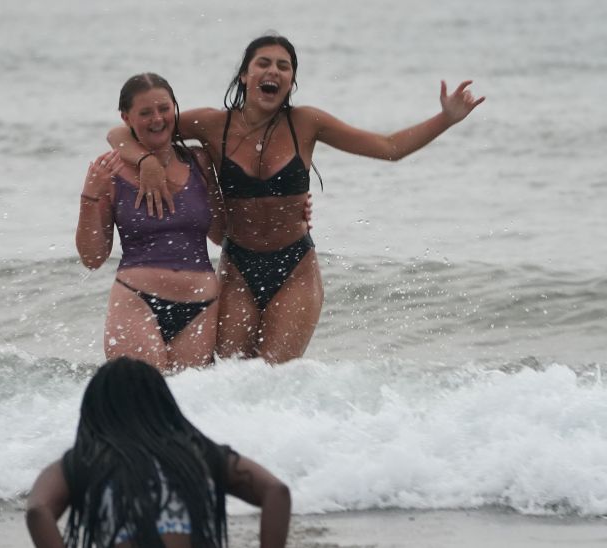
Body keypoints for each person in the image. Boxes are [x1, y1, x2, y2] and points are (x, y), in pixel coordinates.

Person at [109, 34, 484, 364]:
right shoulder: (212, 123)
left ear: (290, 80)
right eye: (264, 63)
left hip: (295, 270)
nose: (274, 71)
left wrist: (445, 119)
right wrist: (146, 163)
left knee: (273, 383)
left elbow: (388, 148)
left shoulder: (307, 123)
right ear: (245, 74)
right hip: (238, 266)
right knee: (224, 376)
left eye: (284, 66)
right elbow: (125, 131)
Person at [25, 357, 291, 548]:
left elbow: (37, 510)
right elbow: (276, 491)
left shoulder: (85, 460)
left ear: (96, 411)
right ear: (164, 405)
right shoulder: (200, 454)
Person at [76, 73, 225, 370]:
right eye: (145, 113)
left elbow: (221, 234)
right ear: (126, 118)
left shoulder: (199, 161)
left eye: (164, 109)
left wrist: (292, 212)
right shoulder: (110, 170)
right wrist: (90, 197)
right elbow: (93, 258)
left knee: (189, 405)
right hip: (136, 302)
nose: (157, 119)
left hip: (201, 307)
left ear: (175, 108)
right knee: (142, 401)